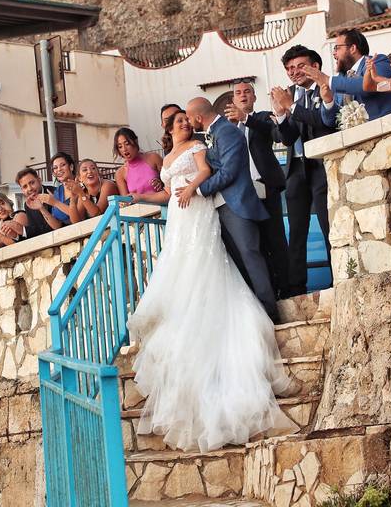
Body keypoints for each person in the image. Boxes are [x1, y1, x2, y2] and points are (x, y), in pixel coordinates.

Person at [126, 110, 293, 453]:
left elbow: (205, 171)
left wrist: (192, 189)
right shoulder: (168, 157)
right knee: (181, 264)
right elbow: (168, 192)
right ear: (168, 130)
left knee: (212, 260)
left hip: (201, 206)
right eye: (179, 123)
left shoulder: (198, 145)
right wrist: (144, 198)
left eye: (187, 121)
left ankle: (260, 305)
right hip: (179, 215)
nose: (185, 125)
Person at [185, 97, 280, 323]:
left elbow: (229, 172)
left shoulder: (226, 132)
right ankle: (254, 313)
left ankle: (270, 313)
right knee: (237, 262)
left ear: (199, 117)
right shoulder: (211, 133)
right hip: (220, 207)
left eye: (189, 117)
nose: (188, 122)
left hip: (236, 204)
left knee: (251, 256)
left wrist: (198, 189)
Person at [270, 45, 337, 296]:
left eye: (299, 66)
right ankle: (296, 287)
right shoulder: (288, 94)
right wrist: (280, 115)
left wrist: (293, 107)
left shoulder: (326, 88)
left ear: (314, 66)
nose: (294, 72)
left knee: (328, 224)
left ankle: (337, 278)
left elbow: (324, 123)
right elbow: (285, 137)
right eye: (289, 68)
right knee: (297, 231)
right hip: (296, 169)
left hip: (320, 166)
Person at [224, 80, 293, 299]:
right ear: (233, 99)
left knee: (276, 241)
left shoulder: (261, 118)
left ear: (253, 97)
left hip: (266, 189)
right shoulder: (226, 129)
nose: (243, 95)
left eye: (247, 92)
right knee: (254, 246)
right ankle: (267, 293)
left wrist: (246, 119)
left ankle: (289, 291)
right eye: (238, 93)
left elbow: (274, 134)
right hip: (242, 196)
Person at [307, 28, 391, 126]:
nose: (334, 53)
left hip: (387, 130)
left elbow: (368, 86)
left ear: (352, 48)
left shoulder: (376, 62)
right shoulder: (342, 79)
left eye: (337, 48)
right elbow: (330, 122)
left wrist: (327, 80)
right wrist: (328, 101)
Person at [114, 127, 163, 199]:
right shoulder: (120, 173)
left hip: (162, 206)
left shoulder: (154, 158)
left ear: (136, 141)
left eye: (127, 144)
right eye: (120, 146)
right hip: (137, 209)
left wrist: (161, 183)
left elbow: (170, 182)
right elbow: (126, 202)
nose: (124, 149)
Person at [16, 168, 63, 239]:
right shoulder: (28, 204)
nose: (29, 189)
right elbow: (37, 231)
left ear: (39, 180)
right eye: (25, 187)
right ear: (22, 190)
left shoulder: (55, 192)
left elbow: (60, 225)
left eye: (32, 183)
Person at [41, 152, 83, 225]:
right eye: (55, 168)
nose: (59, 169)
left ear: (71, 167)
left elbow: (79, 218)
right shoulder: (57, 192)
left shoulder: (81, 185)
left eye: (63, 165)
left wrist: (56, 203)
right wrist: (41, 208)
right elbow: (57, 225)